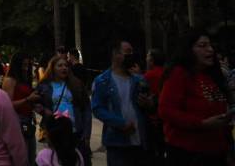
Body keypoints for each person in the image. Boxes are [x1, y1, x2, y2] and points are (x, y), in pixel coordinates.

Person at [159, 29, 232, 166]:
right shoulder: (179, 73)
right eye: (202, 45)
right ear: (188, 50)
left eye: (210, 45)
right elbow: (166, 110)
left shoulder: (213, 76)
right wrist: (201, 123)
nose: (210, 50)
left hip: (217, 153)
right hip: (188, 154)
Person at [91, 40, 149, 165]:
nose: (131, 55)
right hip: (117, 143)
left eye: (132, 52)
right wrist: (121, 124)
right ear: (116, 54)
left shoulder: (139, 80)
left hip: (140, 141)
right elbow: (97, 109)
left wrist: (148, 104)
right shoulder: (102, 81)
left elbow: (149, 106)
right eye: (128, 52)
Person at [36, 55, 92, 165]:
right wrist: (43, 111)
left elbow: (86, 110)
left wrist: (87, 134)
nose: (64, 68)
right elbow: (34, 102)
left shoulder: (77, 84)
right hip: (56, 132)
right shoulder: (44, 85)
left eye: (66, 65)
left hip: (75, 132)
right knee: (57, 161)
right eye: (60, 65)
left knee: (79, 160)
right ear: (52, 68)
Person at [2, 52, 41, 166]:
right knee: (21, 158)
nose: (26, 68)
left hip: (28, 121)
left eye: (27, 65)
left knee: (31, 156)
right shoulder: (10, 80)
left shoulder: (25, 79)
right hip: (17, 122)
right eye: (23, 65)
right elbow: (7, 105)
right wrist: (28, 99)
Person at [143, 48, 165, 165]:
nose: (146, 59)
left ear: (152, 60)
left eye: (147, 56)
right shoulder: (167, 73)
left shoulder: (149, 76)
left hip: (153, 120)